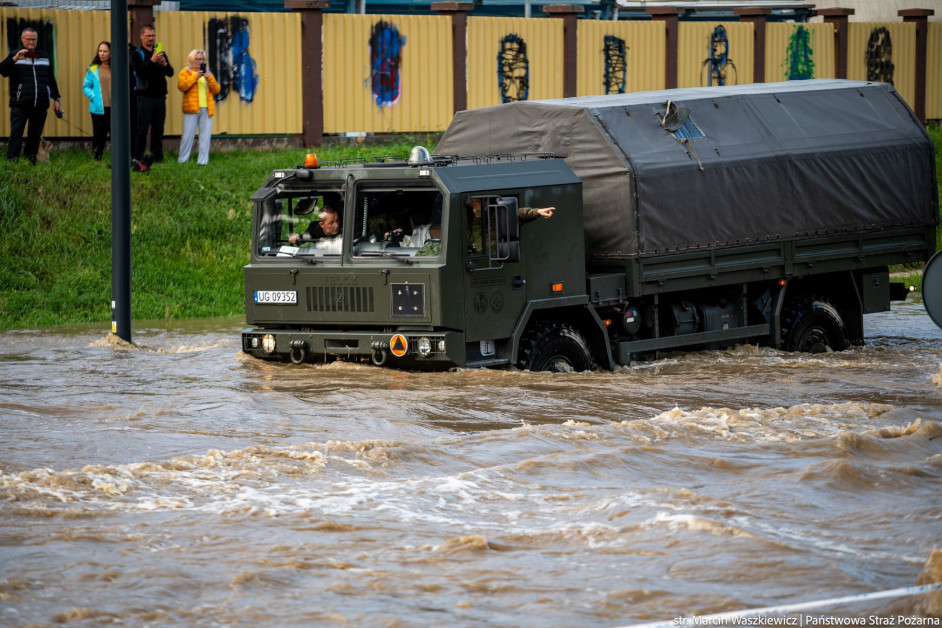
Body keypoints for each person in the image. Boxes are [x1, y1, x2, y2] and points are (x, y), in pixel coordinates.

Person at [0, 27, 62, 164]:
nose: (31, 42)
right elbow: (3, 71)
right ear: (22, 39)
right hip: (20, 103)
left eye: (34, 39)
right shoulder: (15, 55)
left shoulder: (44, 56)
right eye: (28, 39)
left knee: (34, 135)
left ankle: (30, 161)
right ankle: (12, 162)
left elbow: (51, 79)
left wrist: (57, 98)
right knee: (16, 134)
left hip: (40, 104)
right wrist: (14, 59)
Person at [130, 24, 173, 170]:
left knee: (158, 129)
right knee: (142, 129)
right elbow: (140, 73)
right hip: (145, 98)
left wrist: (164, 63)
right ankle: (138, 156)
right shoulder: (137, 54)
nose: (151, 38)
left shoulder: (160, 52)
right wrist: (152, 61)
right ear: (141, 36)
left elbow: (171, 73)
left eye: (153, 35)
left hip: (160, 97)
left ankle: (157, 156)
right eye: (148, 36)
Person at [177, 49, 221, 165]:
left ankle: (202, 162)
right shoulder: (185, 72)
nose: (198, 61)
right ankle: (182, 161)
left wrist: (209, 78)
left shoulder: (208, 73)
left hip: (206, 109)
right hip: (191, 109)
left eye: (201, 59)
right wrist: (195, 76)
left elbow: (216, 89)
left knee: (205, 137)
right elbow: (182, 86)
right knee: (187, 137)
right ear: (191, 60)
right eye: (196, 59)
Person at [82, 41, 111, 161]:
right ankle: (97, 158)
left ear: (110, 53)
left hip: (113, 108)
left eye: (105, 51)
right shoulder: (93, 68)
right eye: (100, 51)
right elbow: (86, 86)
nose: (102, 54)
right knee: (99, 136)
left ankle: (117, 160)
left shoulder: (116, 67)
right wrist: (94, 96)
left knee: (115, 135)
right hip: (98, 108)